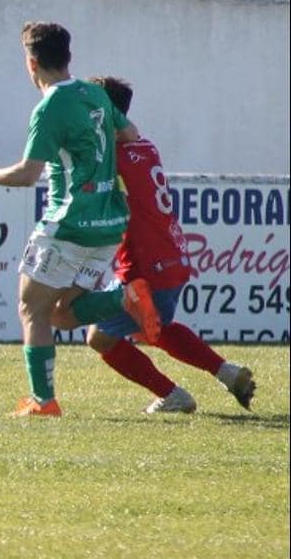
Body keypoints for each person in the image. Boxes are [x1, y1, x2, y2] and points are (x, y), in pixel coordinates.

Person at [0, 21, 156, 418]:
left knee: (31, 309)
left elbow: (27, 175)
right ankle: (122, 297)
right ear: (68, 58)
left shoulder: (49, 107)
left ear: (31, 64)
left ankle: (44, 401)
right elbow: (130, 132)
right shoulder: (94, 93)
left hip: (69, 224)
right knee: (60, 315)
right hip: (108, 224)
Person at [49, 77, 256, 413]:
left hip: (143, 267)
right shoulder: (146, 147)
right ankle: (228, 373)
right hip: (173, 256)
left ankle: (172, 394)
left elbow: (105, 205)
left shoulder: (108, 161)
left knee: (99, 337)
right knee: (156, 328)